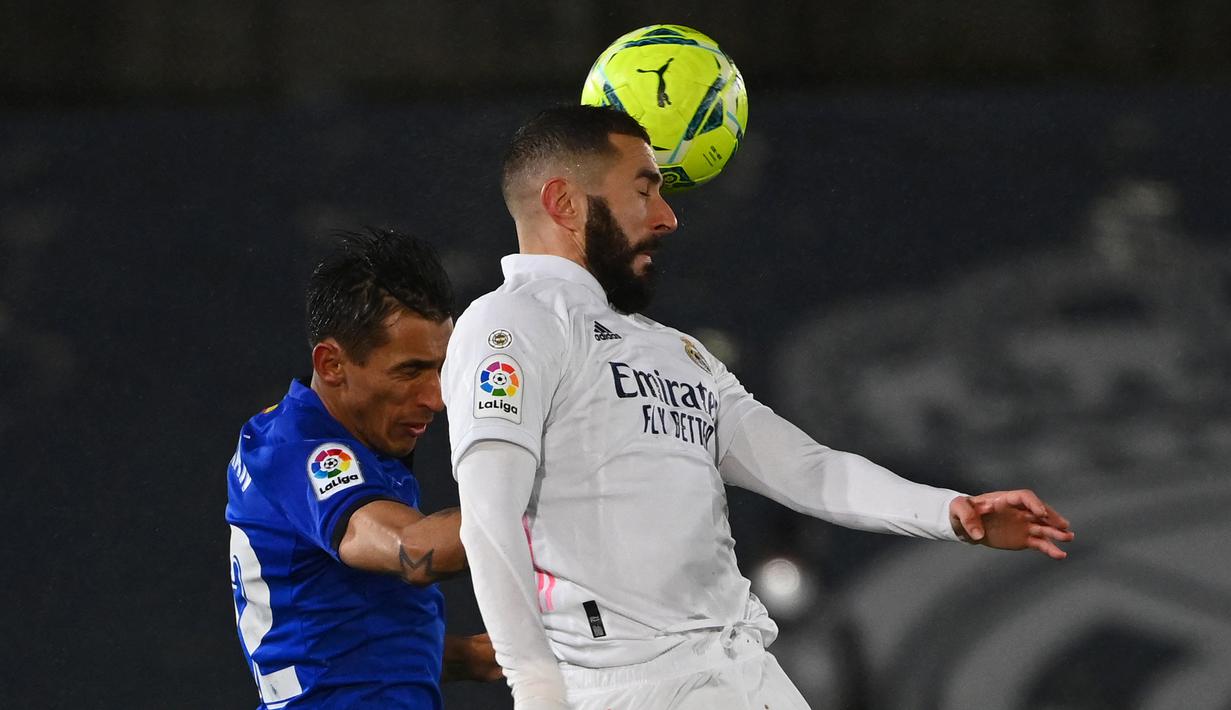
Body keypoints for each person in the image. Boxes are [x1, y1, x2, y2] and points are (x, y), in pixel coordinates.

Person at [440, 105, 1075, 710]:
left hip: (747, 673)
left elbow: (810, 470)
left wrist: (948, 512)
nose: (666, 217)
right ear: (563, 203)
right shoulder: (510, 322)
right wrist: (537, 690)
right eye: (643, 190)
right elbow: (489, 518)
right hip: (626, 687)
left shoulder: (675, 352)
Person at [225, 228, 501, 709]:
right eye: (410, 370)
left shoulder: (340, 447)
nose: (436, 397)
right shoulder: (305, 453)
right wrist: (557, 500)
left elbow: (334, 645)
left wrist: (465, 658)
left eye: (442, 368)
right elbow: (415, 551)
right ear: (332, 364)